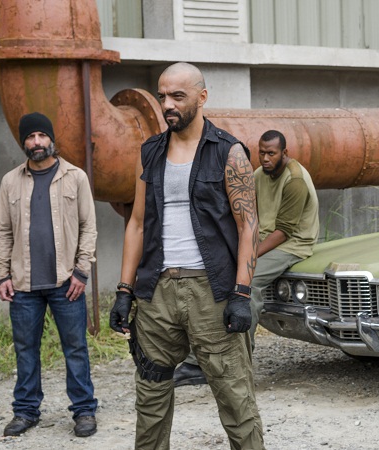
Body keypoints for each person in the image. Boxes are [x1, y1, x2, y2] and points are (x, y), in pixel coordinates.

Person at [109, 62, 265, 449]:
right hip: (157, 292)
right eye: (162, 96)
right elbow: (137, 223)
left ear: (202, 97)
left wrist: (241, 294)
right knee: (150, 400)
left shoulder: (228, 152)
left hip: (211, 292)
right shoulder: (150, 152)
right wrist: (124, 290)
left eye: (178, 96)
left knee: (236, 399)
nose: (167, 105)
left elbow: (248, 226)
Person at [174, 129, 320, 387]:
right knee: (214, 275)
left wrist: (246, 257)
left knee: (246, 285)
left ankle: (240, 363)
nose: (265, 158)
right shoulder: (259, 175)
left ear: (284, 153)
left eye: (271, 153)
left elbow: (284, 232)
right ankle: (199, 362)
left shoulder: (294, 180)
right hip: (261, 238)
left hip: (292, 244)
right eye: (261, 153)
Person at [0, 112, 98, 438]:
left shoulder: (75, 177)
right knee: (25, 350)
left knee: (75, 348)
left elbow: (88, 227)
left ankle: (84, 410)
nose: (36, 142)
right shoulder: (10, 181)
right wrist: (2, 275)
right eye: (30, 137)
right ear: (23, 142)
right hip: (23, 285)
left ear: (51, 139)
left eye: (41, 135)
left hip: (66, 282)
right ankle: (26, 411)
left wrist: (82, 271)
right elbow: (3, 231)